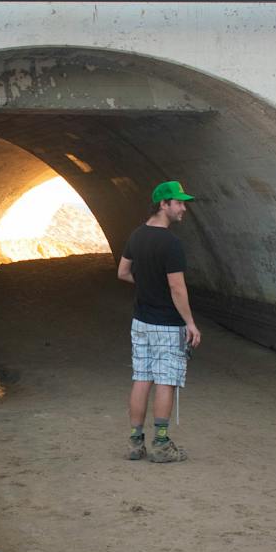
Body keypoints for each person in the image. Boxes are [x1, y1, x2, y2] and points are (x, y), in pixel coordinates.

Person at [117, 180, 202, 463]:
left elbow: (123, 272)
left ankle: (135, 442)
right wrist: (190, 323)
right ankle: (161, 444)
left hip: (140, 322)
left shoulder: (137, 236)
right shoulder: (171, 243)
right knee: (166, 381)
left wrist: (146, 285)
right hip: (167, 324)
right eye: (178, 203)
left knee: (142, 377)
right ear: (163, 205)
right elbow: (177, 288)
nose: (183, 208)